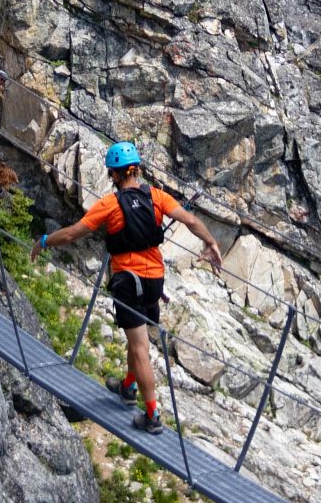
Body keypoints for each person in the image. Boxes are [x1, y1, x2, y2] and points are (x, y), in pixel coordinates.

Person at [40, 142, 222, 433]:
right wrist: (211, 243)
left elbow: (74, 233)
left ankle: (151, 415)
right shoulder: (157, 197)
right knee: (136, 339)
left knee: (139, 347)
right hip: (154, 280)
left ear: (114, 174)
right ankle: (127, 386)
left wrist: (45, 241)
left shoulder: (110, 204)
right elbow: (188, 219)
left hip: (127, 281)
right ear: (136, 169)